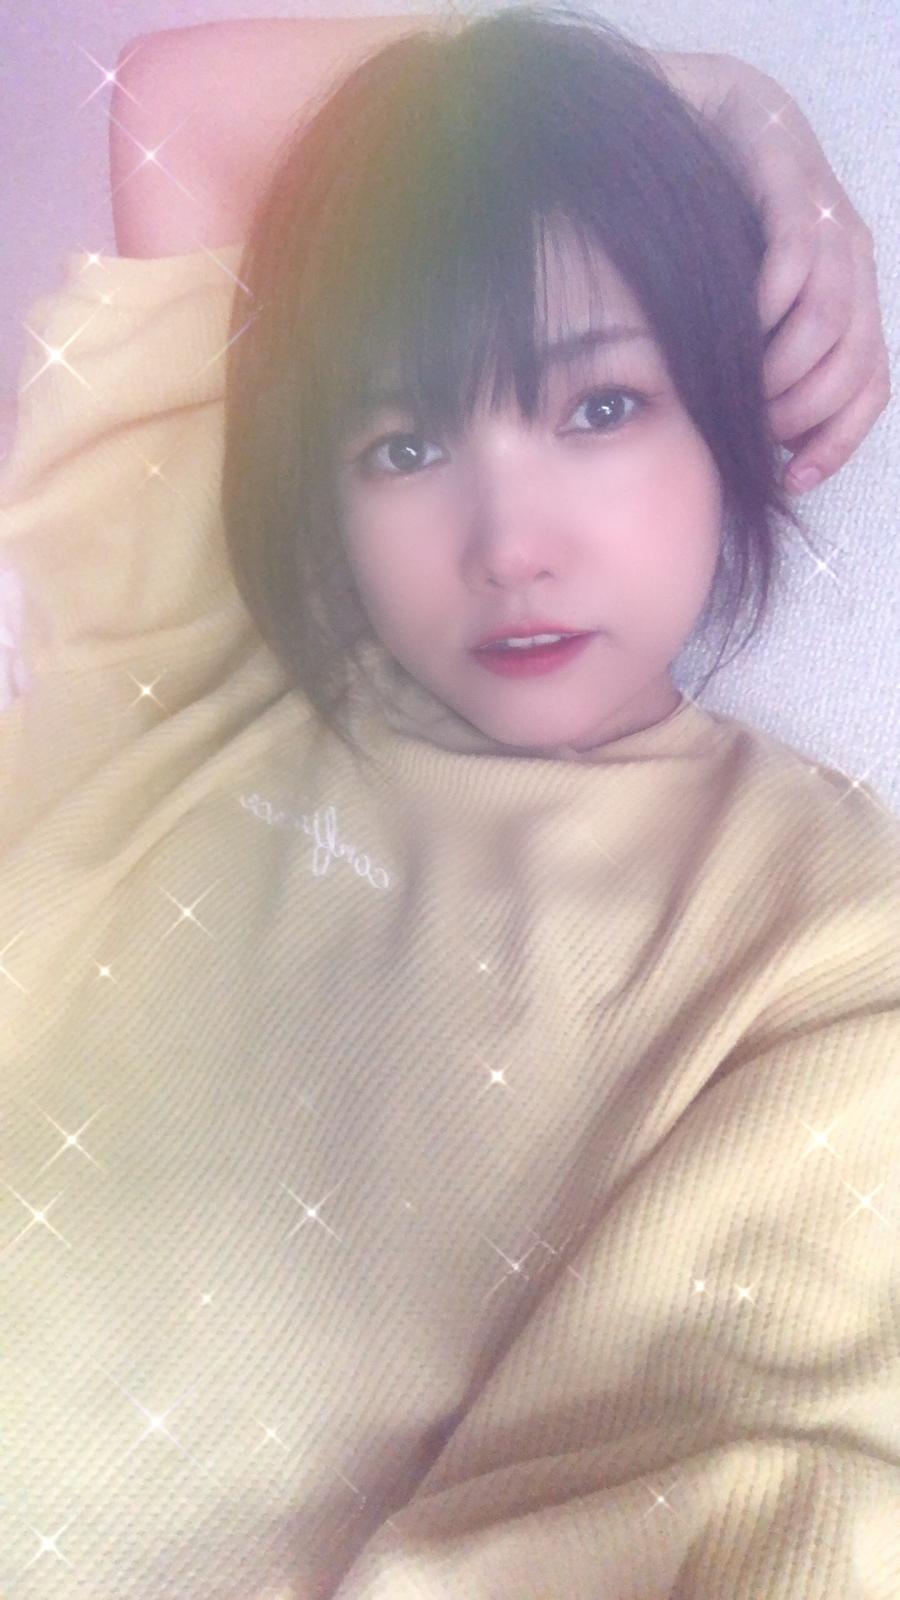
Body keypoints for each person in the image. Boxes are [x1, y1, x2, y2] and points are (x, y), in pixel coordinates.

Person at [0, 7, 896, 1598]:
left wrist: (652, 159)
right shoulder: (202, 658)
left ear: (734, 400)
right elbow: (181, 102)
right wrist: (718, 108)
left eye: (598, 407)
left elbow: (769, 1492)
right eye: (403, 441)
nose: (507, 543)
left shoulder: (830, 941)